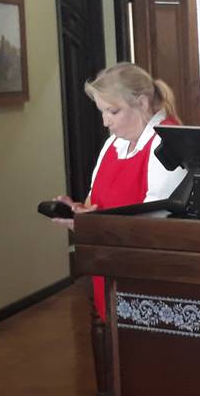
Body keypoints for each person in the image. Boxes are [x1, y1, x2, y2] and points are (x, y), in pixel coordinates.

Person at [56, 63, 186, 319]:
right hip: (110, 268)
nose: (106, 122)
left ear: (143, 102)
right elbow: (95, 202)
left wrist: (94, 227)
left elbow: (155, 226)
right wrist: (81, 216)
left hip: (144, 277)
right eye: (102, 112)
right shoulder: (114, 144)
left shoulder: (167, 143)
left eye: (113, 111)